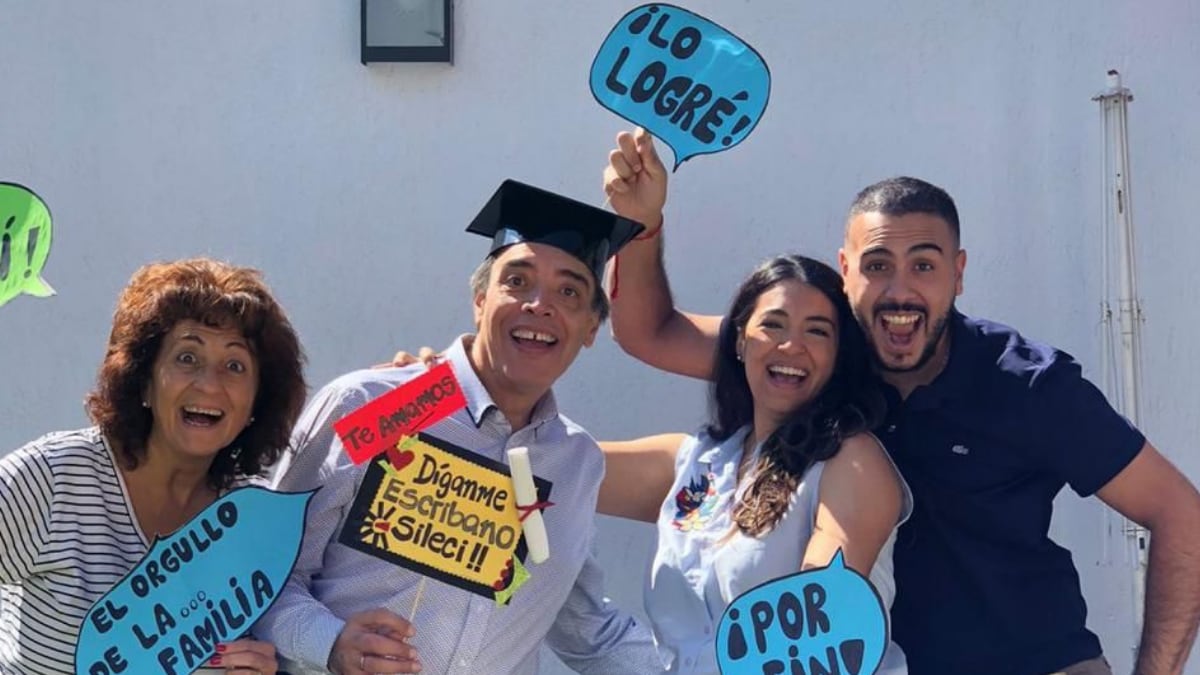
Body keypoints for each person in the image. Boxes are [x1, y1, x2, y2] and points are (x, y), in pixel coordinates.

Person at [600, 127, 1200, 675]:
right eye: (878, 264)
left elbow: (1180, 513)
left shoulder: (1029, 386)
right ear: (845, 272)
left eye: (924, 266)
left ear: (958, 274)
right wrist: (642, 226)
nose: (900, 289)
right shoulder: (820, 354)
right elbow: (648, 331)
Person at [253, 179, 664, 674]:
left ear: (591, 328)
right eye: (517, 281)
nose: (539, 304)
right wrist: (332, 642)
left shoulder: (576, 462)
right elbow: (263, 579)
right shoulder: (373, 406)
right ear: (479, 300)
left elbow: (585, 629)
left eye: (570, 291)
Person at [599, 253, 911, 674]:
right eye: (773, 324)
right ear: (740, 341)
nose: (791, 346)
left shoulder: (849, 460)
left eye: (817, 332)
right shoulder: (699, 461)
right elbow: (549, 470)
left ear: (838, 358)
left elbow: (819, 617)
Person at [0, 257, 308, 674]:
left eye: (235, 365)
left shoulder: (252, 524)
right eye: (186, 357)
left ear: (257, 403)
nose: (209, 383)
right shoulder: (53, 479)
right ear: (143, 379)